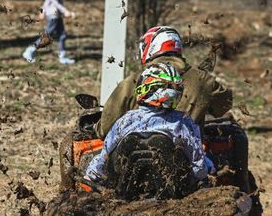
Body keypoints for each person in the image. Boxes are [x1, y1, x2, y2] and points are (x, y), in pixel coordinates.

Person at [85, 63, 214, 186]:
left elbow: (104, 156)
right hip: (174, 190)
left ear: (145, 88)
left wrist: (92, 175)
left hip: (125, 189)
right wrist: (204, 175)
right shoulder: (183, 122)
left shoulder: (125, 121)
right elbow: (197, 161)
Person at [96, 26, 232, 138]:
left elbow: (106, 128)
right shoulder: (204, 80)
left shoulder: (132, 81)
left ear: (150, 47)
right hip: (185, 156)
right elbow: (224, 106)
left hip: (134, 158)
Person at [22, 0, 77, 65]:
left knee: (62, 35)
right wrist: (66, 11)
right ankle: (30, 51)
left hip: (57, 14)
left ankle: (63, 57)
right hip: (53, 14)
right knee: (48, 35)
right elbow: (54, 2)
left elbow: (47, 0)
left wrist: (42, 11)